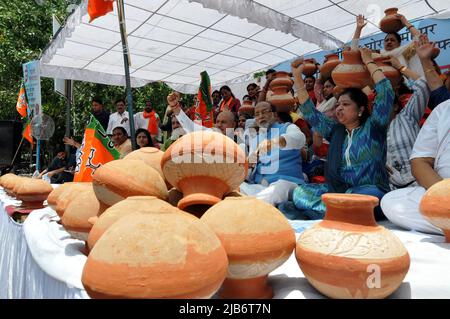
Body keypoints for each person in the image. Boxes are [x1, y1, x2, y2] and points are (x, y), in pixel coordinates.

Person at [291, 51, 395, 220]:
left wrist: (368, 61)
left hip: (369, 191)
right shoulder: (336, 131)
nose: (339, 108)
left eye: (345, 104)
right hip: (340, 191)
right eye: (338, 104)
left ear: (361, 110)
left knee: (365, 197)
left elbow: (386, 92)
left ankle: (336, 210)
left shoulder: (374, 127)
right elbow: (310, 112)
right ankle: (341, 210)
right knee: (299, 192)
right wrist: (297, 76)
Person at [381, 99, 450, 235]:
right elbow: (420, 161)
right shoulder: (444, 109)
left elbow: (421, 85)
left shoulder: (406, 116)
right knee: (391, 202)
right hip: (441, 188)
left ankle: (444, 222)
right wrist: (444, 196)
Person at [239, 101, 306, 206]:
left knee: (277, 188)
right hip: (261, 186)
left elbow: (300, 139)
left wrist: (274, 142)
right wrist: (248, 165)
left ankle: (254, 210)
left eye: (264, 112)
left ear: (274, 114)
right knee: (238, 187)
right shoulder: (255, 138)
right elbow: (250, 170)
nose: (261, 116)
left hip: (286, 182)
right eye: (257, 114)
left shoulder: (288, 127)